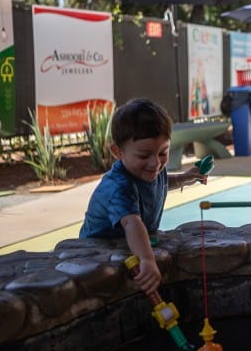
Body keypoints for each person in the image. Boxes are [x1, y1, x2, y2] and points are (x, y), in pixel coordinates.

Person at [79, 98, 207, 293]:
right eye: (144, 155)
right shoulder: (118, 186)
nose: (155, 163)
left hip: (127, 243)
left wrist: (184, 178)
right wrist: (147, 259)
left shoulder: (150, 169)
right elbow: (132, 223)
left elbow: (160, 183)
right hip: (97, 250)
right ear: (117, 152)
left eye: (163, 152)